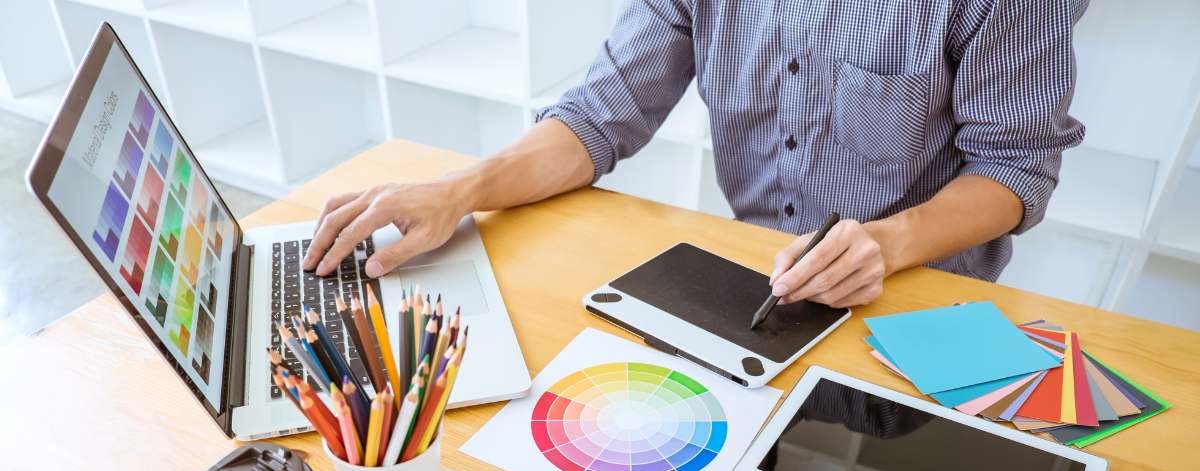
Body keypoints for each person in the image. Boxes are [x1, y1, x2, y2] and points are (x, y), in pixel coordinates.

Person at [303, 0, 1087, 309]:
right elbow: (600, 117)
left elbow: (1015, 169)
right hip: (762, 285)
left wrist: (886, 241)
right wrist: (458, 190)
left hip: (921, 298)